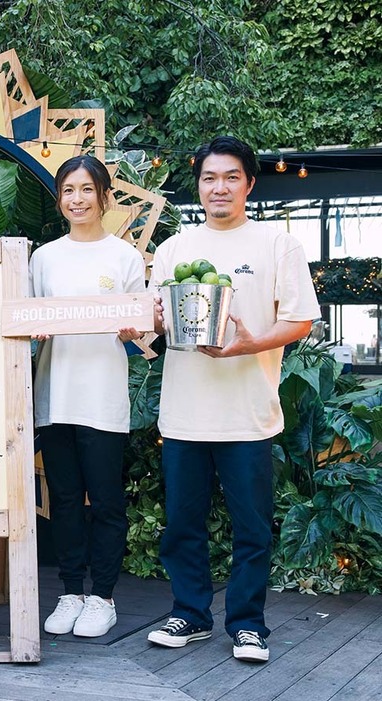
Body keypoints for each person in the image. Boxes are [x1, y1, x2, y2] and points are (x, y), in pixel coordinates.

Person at [147, 136, 320, 662]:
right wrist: (149, 320)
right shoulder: (175, 248)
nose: (218, 188)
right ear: (198, 185)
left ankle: (247, 624)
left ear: (247, 183)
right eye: (208, 178)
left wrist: (250, 343)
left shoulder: (276, 245)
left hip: (248, 414)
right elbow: (159, 317)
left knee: (251, 528)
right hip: (183, 413)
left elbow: (301, 320)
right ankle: (190, 614)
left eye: (230, 178)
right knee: (182, 525)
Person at [31, 155, 145, 638]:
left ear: (104, 196)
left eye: (86, 190)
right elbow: (31, 321)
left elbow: (138, 329)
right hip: (54, 395)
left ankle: (103, 597)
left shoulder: (124, 257)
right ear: (60, 199)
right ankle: (70, 592)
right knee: (62, 498)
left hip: (102, 396)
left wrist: (129, 329)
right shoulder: (44, 257)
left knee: (104, 500)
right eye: (68, 191)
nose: (77, 199)